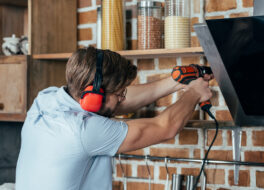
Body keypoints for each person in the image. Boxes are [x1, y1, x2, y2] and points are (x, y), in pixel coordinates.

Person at [15, 46, 213, 190]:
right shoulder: (83, 130)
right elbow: (165, 127)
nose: (122, 99)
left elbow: (114, 105)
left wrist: (174, 83)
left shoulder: (46, 99)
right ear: (94, 95)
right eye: (119, 93)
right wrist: (194, 93)